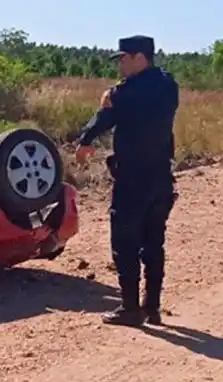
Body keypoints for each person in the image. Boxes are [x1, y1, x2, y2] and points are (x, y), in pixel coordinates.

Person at [74, 35, 179, 327]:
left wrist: (85, 140)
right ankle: (152, 307)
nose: (120, 64)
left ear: (139, 58)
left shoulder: (126, 94)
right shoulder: (169, 86)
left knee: (125, 241)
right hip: (160, 178)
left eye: (123, 58)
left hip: (133, 179)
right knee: (154, 243)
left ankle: (131, 309)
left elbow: (105, 117)